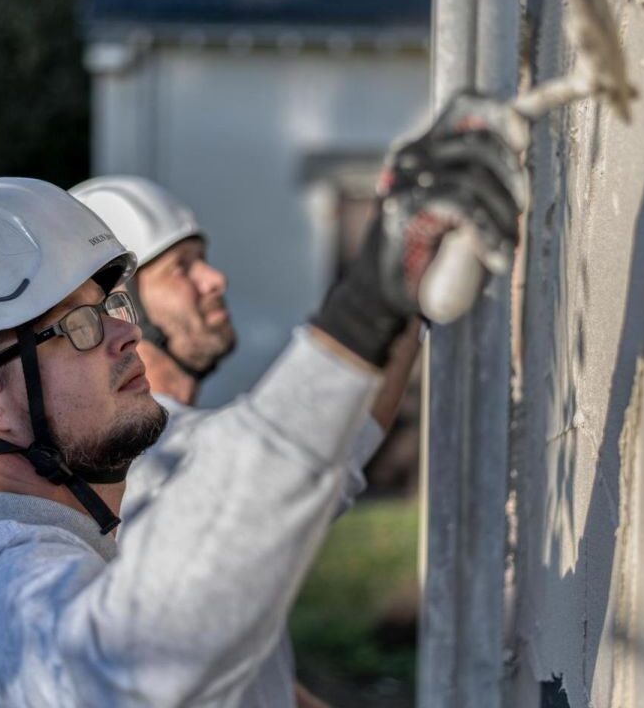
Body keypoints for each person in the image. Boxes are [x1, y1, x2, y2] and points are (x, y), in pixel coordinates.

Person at [0, 93, 527, 707]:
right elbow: (124, 665)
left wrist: (394, 305)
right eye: (78, 327)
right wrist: (365, 308)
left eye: (112, 309)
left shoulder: (88, 549)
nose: (126, 333)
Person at [71, 175, 423, 708]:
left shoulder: (164, 448)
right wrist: (402, 285)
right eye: (181, 268)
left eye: (202, 259)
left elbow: (242, 669)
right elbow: (337, 439)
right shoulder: (152, 461)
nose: (214, 278)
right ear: (122, 311)